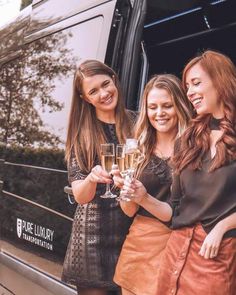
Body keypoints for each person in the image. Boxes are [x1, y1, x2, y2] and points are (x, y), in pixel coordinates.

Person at [122, 50, 236, 295]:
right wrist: (141, 197)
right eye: (187, 86)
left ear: (220, 80)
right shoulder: (188, 140)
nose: (191, 91)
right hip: (176, 250)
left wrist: (222, 226)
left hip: (216, 253)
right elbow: (175, 209)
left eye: (197, 83)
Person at [112, 74, 193, 295]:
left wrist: (144, 197)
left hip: (180, 246)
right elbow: (129, 210)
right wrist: (125, 192)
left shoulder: (195, 148)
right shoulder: (136, 149)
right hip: (140, 246)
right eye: (153, 107)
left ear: (180, 106)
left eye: (167, 106)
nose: (160, 113)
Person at [61, 59, 136, 295]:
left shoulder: (138, 122)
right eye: (93, 91)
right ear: (85, 98)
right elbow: (81, 197)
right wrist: (91, 179)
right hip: (92, 239)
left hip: (133, 232)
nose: (104, 93)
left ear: (114, 79)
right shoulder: (81, 134)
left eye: (105, 84)